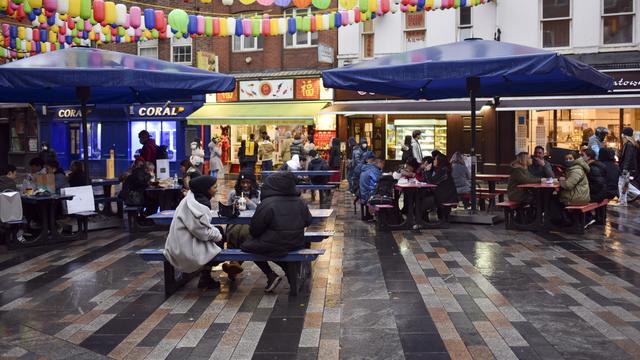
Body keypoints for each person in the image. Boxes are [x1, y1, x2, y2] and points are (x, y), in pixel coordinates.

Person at [240, 172, 312, 292]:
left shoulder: (267, 203)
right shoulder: (300, 202)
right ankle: (288, 271)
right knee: (272, 247)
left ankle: (271, 274)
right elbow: (308, 221)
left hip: (274, 243)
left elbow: (255, 230)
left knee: (246, 245)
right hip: (296, 243)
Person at [164, 175, 224, 290]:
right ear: (206, 189)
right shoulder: (199, 204)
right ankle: (205, 276)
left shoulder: (190, 199)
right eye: (214, 187)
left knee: (217, 233)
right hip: (183, 249)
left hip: (178, 243)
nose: (216, 190)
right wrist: (219, 235)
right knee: (220, 236)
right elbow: (203, 233)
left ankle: (205, 275)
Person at [223, 171, 261, 279]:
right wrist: (233, 207)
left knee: (244, 234)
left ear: (252, 183)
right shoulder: (233, 193)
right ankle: (234, 264)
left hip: (250, 222)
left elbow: (261, 210)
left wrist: (248, 202)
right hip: (235, 222)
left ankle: (235, 264)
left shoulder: (258, 193)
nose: (245, 185)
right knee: (232, 233)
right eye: (243, 182)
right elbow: (227, 211)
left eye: (248, 183)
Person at [619, 127, 639, 205]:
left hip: (627, 169)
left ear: (625, 135)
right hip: (628, 168)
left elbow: (628, 157)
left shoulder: (629, 145)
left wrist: (625, 168)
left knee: (623, 184)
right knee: (625, 185)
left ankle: (623, 201)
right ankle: (623, 201)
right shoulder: (630, 144)